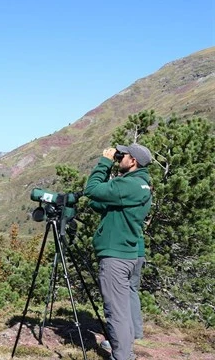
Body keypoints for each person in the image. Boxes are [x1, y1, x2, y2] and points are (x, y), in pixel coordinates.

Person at [84, 143, 152, 360]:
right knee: (122, 308)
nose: (119, 157)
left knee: (116, 312)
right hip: (126, 253)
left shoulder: (130, 185)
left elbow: (92, 189)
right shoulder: (138, 185)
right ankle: (124, 346)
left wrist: (104, 163)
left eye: (124, 155)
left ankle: (122, 355)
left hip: (116, 256)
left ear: (133, 161)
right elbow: (104, 203)